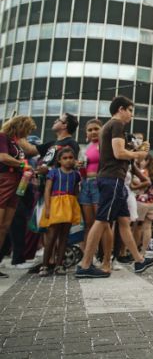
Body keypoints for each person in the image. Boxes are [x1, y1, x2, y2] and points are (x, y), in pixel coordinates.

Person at [75, 96, 153, 278]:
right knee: (102, 219)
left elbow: (116, 151)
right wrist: (139, 153)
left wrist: (136, 151)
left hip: (113, 179)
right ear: (121, 109)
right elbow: (119, 153)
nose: (131, 115)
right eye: (130, 110)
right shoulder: (117, 124)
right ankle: (85, 265)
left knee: (124, 222)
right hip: (113, 179)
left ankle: (138, 261)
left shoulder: (109, 127)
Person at [0, 116, 36, 278]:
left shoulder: (16, 142)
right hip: (4, 181)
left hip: (16, 183)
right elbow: (3, 157)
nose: (27, 134)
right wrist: (23, 165)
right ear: (20, 126)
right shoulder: (3, 137)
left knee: (5, 226)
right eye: (27, 130)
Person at [38, 147, 82, 276]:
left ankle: (59, 265)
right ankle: (45, 265)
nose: (68, 161)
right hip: (55, 204)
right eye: (65, 158)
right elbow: (47, 190)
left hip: (70, 204)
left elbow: (76, 191)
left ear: (74, 159)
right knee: (51, 236)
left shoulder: (76, 174)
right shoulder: (54, 172)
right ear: (59, 160)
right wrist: (47, 207)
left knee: (64, 237)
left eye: (71, 158)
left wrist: (77, 206)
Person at [78, 119, 102, 242]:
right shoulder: (84, 148)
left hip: (99, 184)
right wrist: (79, 166)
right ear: (86, 133)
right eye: (90, 130)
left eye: (96, 129)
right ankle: (88, 256)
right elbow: (82, 170)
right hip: (85, 184)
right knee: (88, 224)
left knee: (101, 222)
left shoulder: (105, 145)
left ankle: (101, 255)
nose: (93, 132)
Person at [134, 154, 153, 253]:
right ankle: (143, 251)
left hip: (141, 201)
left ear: (147, 161)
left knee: (137, 226)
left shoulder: (142, 172)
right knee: (148, 227)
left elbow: (136, 185)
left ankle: (134, 250)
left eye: (141, 160)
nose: (139, 162)